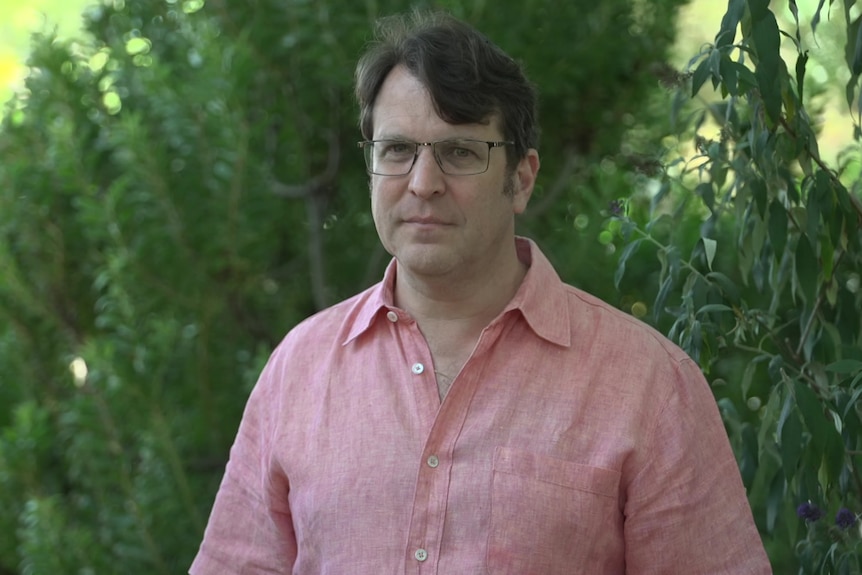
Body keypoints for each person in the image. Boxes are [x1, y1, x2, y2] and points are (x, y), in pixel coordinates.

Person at [190, 10, 771, 574]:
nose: (422, 184)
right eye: (396, 151)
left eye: (459, 153)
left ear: (521, 179)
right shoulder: (300, 369)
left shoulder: (649, 384)